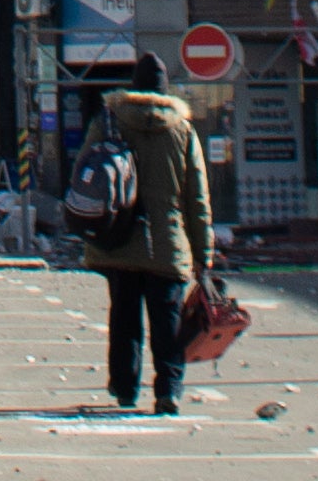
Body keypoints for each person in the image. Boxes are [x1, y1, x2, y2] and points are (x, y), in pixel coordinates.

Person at [73, 81, 216, 415]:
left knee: (124, 318)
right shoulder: (182, 131)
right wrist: (203, 253)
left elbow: (83, 173)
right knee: (168, 323)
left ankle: (125, 389)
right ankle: (168, 391)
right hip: (168, 243)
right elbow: (197, 198)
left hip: (119, 238)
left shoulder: (108, 122)